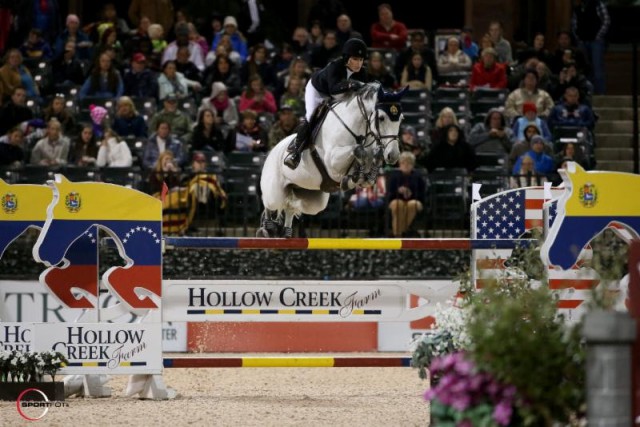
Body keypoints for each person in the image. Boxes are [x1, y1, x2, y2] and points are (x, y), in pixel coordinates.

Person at [284, 38, 368, 169]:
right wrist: (351, 83)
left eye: (361, 60)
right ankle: (295, 151)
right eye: (355, 59)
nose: (359, 64)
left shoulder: (361, 72)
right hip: (318, 91)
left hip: (338, 93)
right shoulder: (335, 66)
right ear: (347, 58)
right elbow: (333, 89)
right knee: (311, 116)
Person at [572, 0, 610, 95]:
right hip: (582, 42)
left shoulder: (598, 4)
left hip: (596, 42)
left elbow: (606, 20)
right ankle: (588, 93)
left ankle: (601, 94)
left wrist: (598, 36)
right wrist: (579, 38)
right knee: (585, 69)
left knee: (597, 69)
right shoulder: (578, 8)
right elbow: (573, 25)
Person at [387, 151, 425, 237]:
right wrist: (398, 191)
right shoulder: (394, 176)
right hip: (396, 199)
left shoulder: (418, 177)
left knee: (413, 205)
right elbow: (390, 193)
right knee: (398, 204)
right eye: (403, 163)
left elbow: (422, 194)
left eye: (409, 163)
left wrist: (411, 193)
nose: (406, 165)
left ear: (413, 165)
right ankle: (400, 234)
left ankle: (398, 234)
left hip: (415, 200)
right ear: (400, 164)